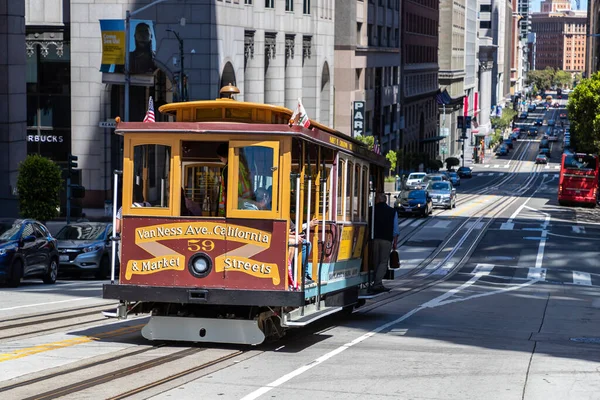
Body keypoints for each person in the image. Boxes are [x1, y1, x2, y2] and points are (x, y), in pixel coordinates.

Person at [371, 192, 399, 293]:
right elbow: (396, 230)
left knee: (375, 261)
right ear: (385, 200)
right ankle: (377, 283)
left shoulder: (372, 210)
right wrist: (395, 242)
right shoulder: (392, 211)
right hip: (386, 240)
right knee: (383, 262)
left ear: (377, 200)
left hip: (374, 239)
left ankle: (375, 282)